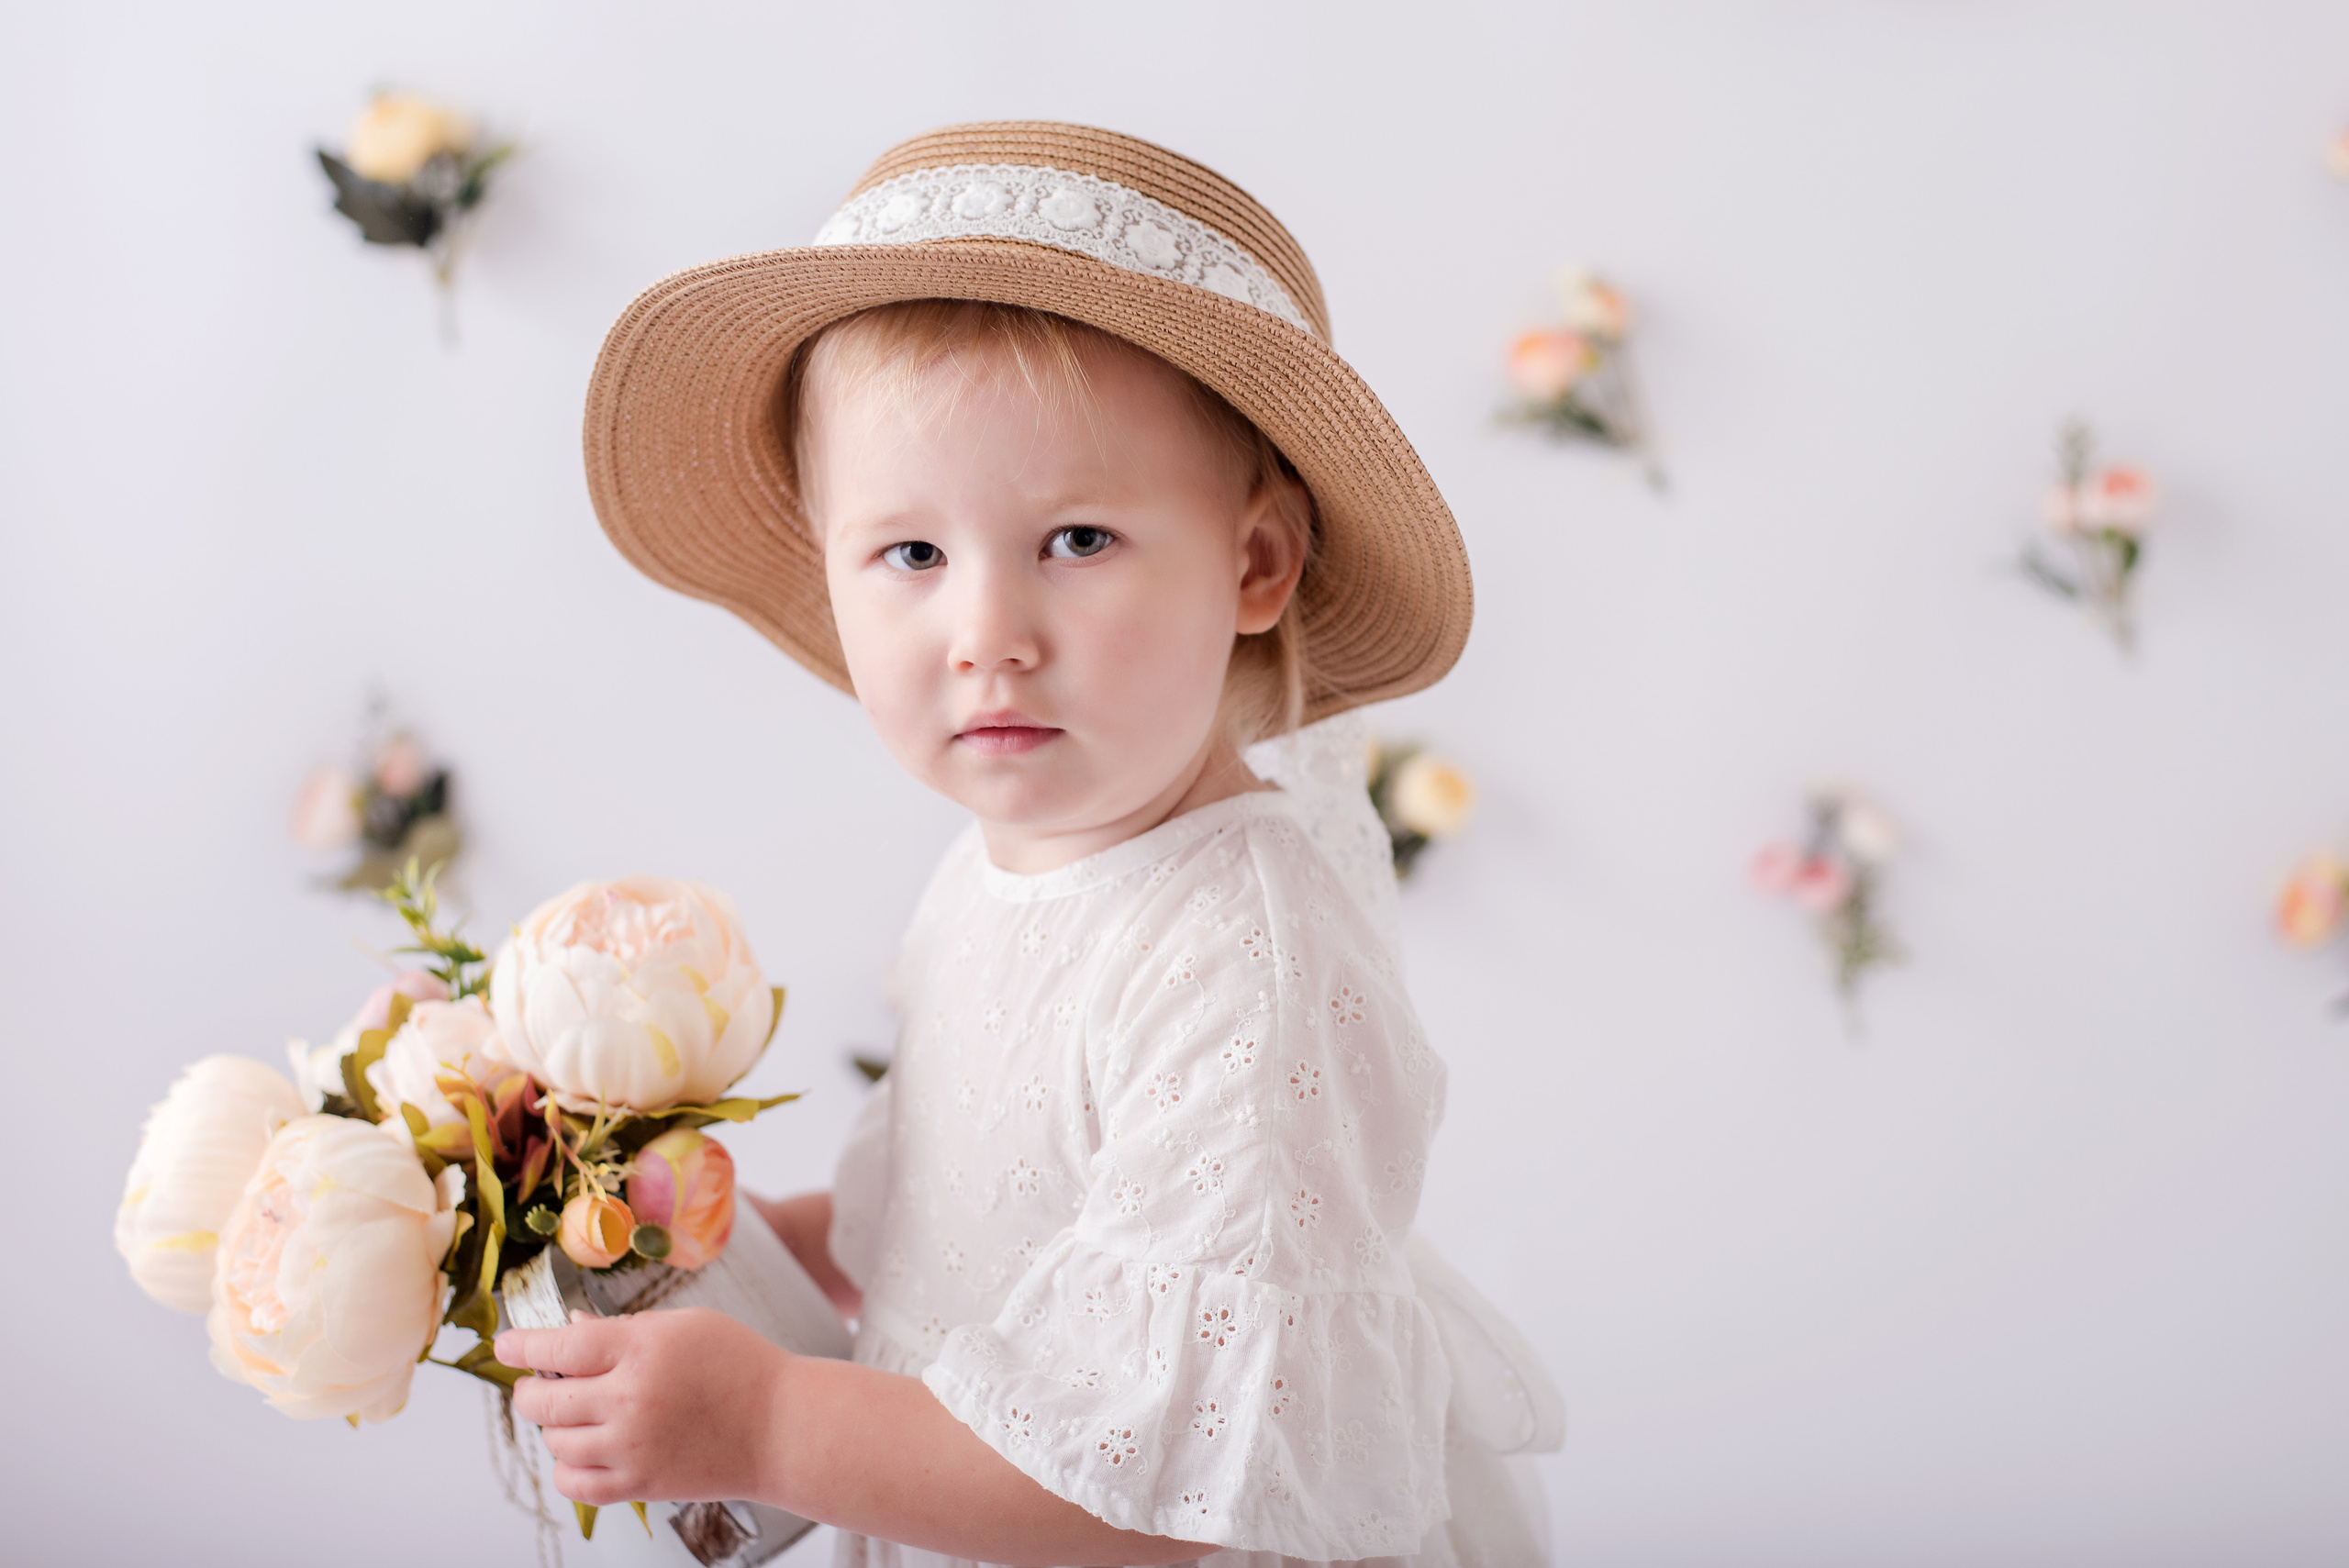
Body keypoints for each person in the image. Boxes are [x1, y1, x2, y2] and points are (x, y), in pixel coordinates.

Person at [495, 122, 1562, 1568]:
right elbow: (969, 1231)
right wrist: (722, 1246)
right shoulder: (1004, 857)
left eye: (1075, 540)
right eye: (913, 555)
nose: (987, 635)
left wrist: (770, 1424)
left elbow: (1164, 1490)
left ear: (1256, 563)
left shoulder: (1249, 966)